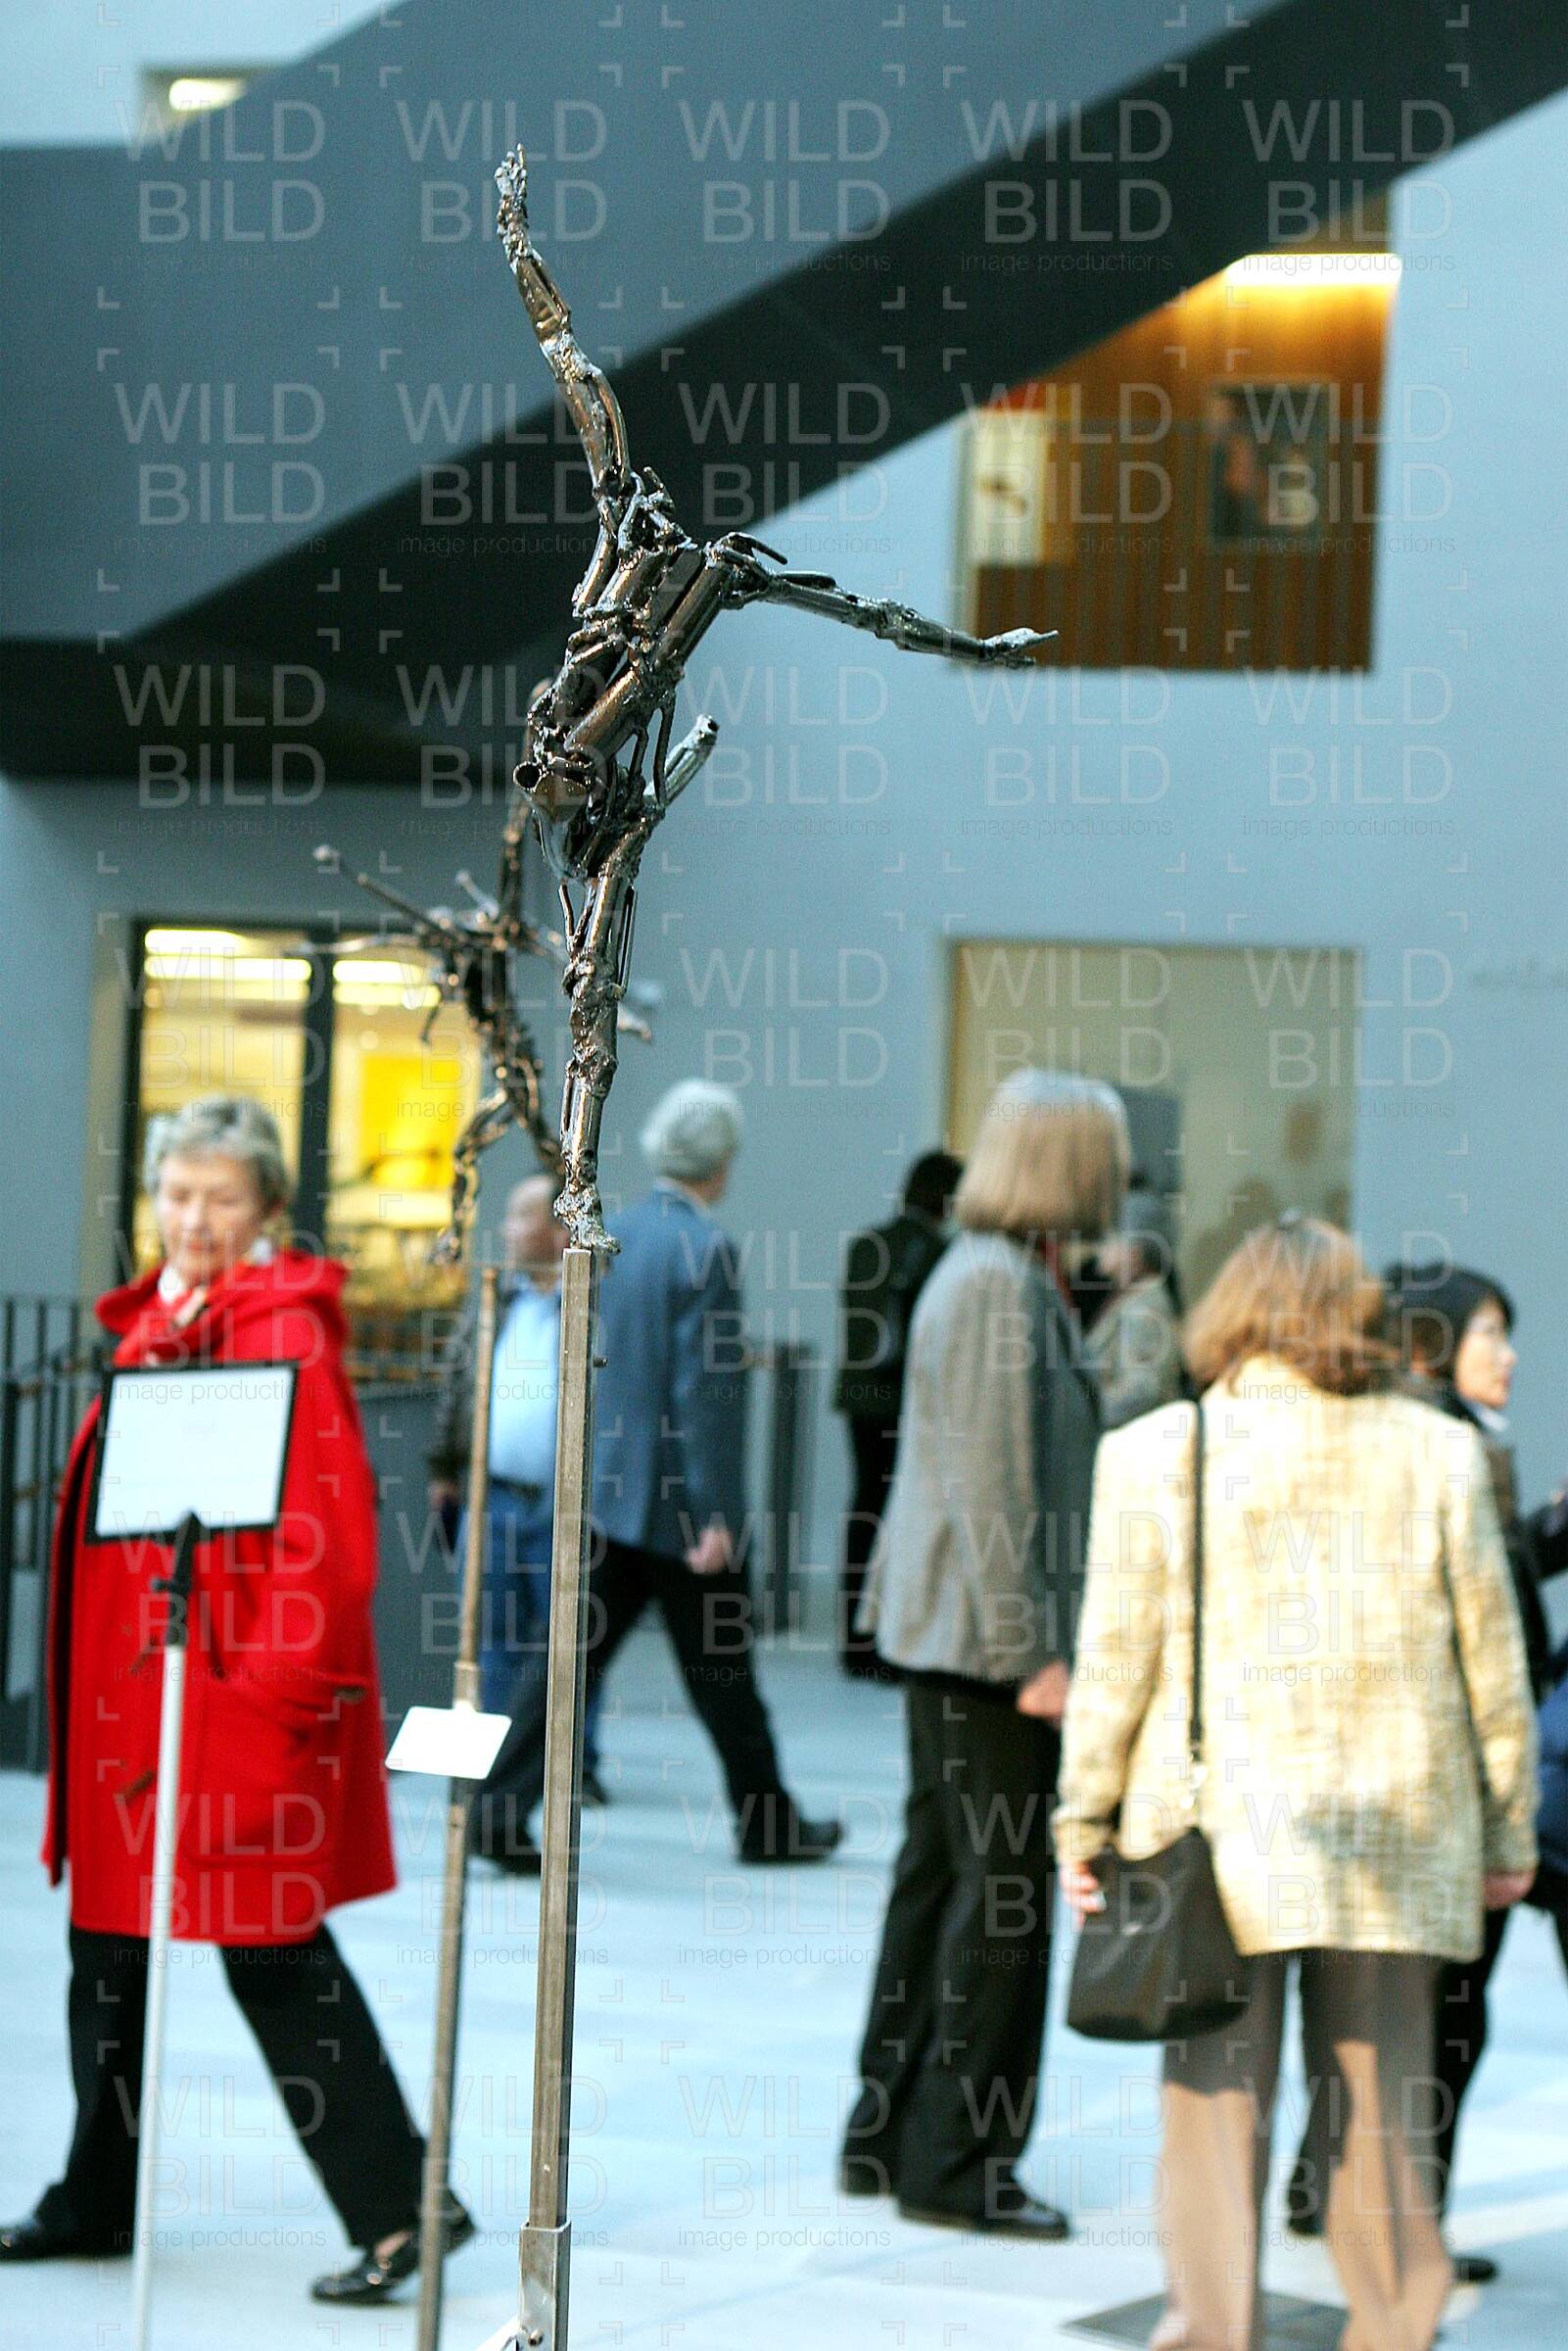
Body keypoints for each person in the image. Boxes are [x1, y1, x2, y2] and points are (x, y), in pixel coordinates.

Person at [0, 1095, 471, 2304]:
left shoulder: (280, 1334)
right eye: (175, 1193)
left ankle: (404, 2211)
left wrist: (270, 1701)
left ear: (265, 1207)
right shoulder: (167, 1319)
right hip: (135, 1711)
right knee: (107, 1958)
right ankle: (94, 2197)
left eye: (220, 1197)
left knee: (272, 1953)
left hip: (224, 1709)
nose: (193, 1217)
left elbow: (328, 1544)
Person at [1056, 1218, 1538, 2351]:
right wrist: (1506, 1830)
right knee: (1381, 2111)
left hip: (1211, 1832)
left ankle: (1209, 2332)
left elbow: (1113, 1659)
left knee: (1211, 2114)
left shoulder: (1159, 1448)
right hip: (1394, 1829)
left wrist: (1081, 1819)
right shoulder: (1438, 1450)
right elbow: (1493, 1664)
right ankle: (1392, 2325)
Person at [840, 1070, 1120, 2237]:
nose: (1120, 1178)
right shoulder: (997, 1285)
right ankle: (955, 2164)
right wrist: (1031, 1657)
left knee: (941, 1884)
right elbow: (992, 1489)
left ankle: (887, 2134)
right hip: (984, 1648)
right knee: (998, 1905)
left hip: (954, 1638)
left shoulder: (993, 1273)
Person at [470, 1080, 841, 1869]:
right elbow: (704, 1393)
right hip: (675, 1507)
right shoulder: (704, 1249)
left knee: (564, 1664)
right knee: (723, 1675)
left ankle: (496, 1810)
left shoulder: (613, 1235)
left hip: (608, 1494)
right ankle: (767, 1825)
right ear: (723, 1162)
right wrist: (715, 1513)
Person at [1288, 1258, 1568, 2281]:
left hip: (1444, 1774)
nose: (1508, 1354)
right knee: (1441, 2012)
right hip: (1446, 1778)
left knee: (1425, 2007)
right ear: (1429, 1346)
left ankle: (1334, 2192)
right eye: (1488, 1333)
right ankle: (1405, 2224)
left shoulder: (1447, 1433)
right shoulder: (1440, 1442)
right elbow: (1466, 1611)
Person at [429, 1173, 605, 1798]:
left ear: (557, 1229)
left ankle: (574, 1766)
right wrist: (444, 1468)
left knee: (568, 1638)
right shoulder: (494, 1300)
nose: (505, 1230)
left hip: (565, 1503)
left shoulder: (592, 1303)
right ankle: (499, 1764)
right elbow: (458, 1379)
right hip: (493, 1495)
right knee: (492, 1636)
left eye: (520, 1217)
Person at [832, 1149, 962, 1676]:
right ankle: (886, 1639)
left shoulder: (867, 1244)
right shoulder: (940, 1253)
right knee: (899, 1520)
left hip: (860, 1398)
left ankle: (852, 1639)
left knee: (863, 1509)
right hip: (907, 1403)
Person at [1082, 1176, 1186, 1428]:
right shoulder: (1127, 1298)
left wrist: (1083, 1416)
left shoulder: (1147, 1306)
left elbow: (1143, 1391)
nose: (1101, 1248)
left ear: (1135, 1251)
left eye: (1111, 1237)